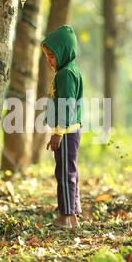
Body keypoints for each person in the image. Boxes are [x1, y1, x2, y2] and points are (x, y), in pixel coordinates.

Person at [42, 25, 83, 229]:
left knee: (64, 173)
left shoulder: (66, 74)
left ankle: (66, 217)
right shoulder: (70, 69)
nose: (49, 61)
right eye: (47, 56)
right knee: (70, 171)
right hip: (70, 130)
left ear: (64, 52)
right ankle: (72, 216)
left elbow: (66, 105)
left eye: (53, 56)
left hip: (66, 131)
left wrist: (57, 132)